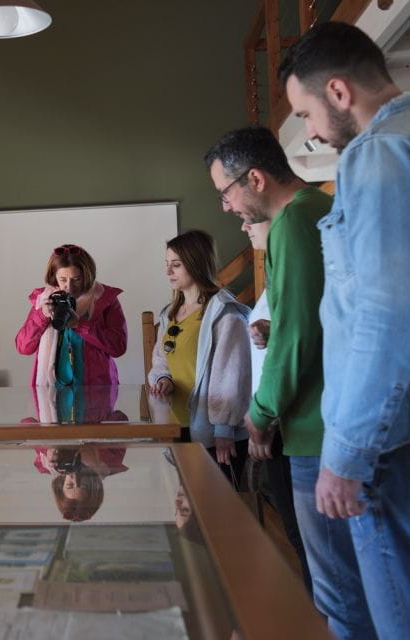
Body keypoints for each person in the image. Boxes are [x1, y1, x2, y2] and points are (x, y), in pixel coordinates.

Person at [281, 21, 410, 638]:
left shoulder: (379, 152)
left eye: (306, 113)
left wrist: (344, 455)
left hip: (397, 452)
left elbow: (387, 311)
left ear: (339, 92)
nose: (312, 131)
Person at [205, 126, 334, 601]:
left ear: (254, 179)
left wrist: (260, 414)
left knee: (332, 588)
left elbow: (299, 335)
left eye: (225, 192)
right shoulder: (313, 211)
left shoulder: (293, 221)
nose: (225, 206)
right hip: (323, 424)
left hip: (315, 428)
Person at [241, 218, 312, 594]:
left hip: (286, 423)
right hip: (274, 418)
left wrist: (264, 418)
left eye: (250, 220)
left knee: (305, 541)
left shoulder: (293, 258)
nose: (244, 227)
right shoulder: (275, 270)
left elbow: (296, 344)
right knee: (297, 535)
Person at [147, 230, 251, 484]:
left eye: (176, 265)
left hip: (216, 435)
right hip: (178, 425)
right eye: (167, 265)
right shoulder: (169, 313)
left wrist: (224, 429)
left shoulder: (225, 315)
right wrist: (163, 378)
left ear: (195, 264)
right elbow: (161, 359)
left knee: (219, 512)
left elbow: (232, 376)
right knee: (187, 509)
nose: (168, 271)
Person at [15, 244, 128, 387]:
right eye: (62, 279)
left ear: (87, 275)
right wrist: (42, 315)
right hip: (52, 391)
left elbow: (118, 347)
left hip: (96, 391)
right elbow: (23, 347)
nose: (69, 286)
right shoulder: (44, 299)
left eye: (76, 279)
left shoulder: (104, 299)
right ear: (53, 276)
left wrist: (79, 325)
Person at [33, 446, 129, 522]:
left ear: (61, 486)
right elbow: (122, 425)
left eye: (70, 485)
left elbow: (28, 422)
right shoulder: (112, 463)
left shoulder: (48, 465)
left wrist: (47, 449)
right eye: (83, 485)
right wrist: (94, 455)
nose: (75, 478)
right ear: (93, 486)